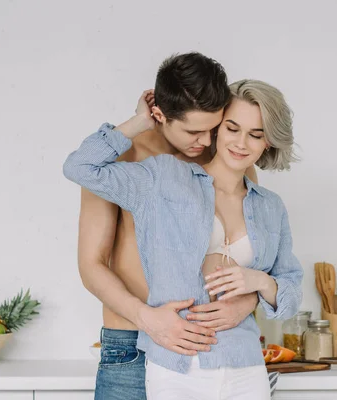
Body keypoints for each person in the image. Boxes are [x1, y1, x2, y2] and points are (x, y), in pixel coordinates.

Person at [64, 79, 303, 399]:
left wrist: (248, 301)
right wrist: (149, 319)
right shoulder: (129, 157)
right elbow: (91, 265)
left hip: (221, 350)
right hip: (132, 341)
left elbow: (257, 267)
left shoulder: (237, 168)